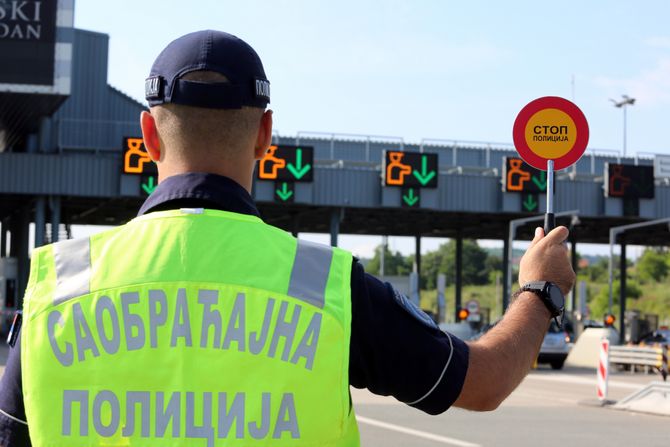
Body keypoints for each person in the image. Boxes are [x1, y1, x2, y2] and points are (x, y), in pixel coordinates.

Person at [0, 30, 575, 446]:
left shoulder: (61, 285)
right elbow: (482, 383)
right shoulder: (326, 287)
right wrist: (540, 291)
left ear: (149, 134)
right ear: (265, 136)